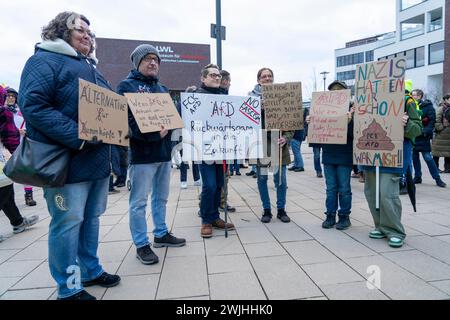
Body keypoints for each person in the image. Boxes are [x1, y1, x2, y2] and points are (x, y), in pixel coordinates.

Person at [18, 12, 121, 300]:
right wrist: (79, 135)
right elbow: (34, 106)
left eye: (91, 32)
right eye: (81, 30)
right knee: (68, 222)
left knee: (91, 219)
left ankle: (90, 269)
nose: (88, 35)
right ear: (60, 31)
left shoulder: (91, 67)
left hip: (97, 161)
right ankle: (69, 286)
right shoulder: (43, 61)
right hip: (66, 162)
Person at [117, 44, 186, 264]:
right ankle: (141, 244)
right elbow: (124, 122)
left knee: (161, 198)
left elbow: (171, 118)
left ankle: (161, 233)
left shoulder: (162, 88)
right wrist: (154, 135)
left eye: (156, 59)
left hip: (163, 154)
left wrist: (171, 128)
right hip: (142, 155)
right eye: (147, 58)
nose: (153, 62)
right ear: (137, 62)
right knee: (138, 202)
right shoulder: (126, 86)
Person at [362, 81, 422, 248]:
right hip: (372, 155)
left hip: (392, 156)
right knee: (372, 193)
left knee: (387, 193)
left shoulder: (407, 101)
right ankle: (380, 225)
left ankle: (394, 230)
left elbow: (417, 128)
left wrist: (407, 124)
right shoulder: (367, 101)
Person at [194, 64, 235, 238]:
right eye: (212, 75)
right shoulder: (196, 97)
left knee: (219, 184)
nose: (217, 78)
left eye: (218, 76)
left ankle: (215, 216)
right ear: (203, 78)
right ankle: (205, 220)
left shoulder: (225, 97)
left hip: (222, 149)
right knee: (209, 185)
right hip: (204, 149)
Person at [307, 80, 354, 230]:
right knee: (331, 188)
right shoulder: (323, 109)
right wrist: (310, 123)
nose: (336, 93)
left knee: (344, 188)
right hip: (328, 154)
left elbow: (357, 135)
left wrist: (350, 121)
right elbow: (316, 136)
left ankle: (344, 216)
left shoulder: (353, 110)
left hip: (345, 155)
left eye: (339, 91)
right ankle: (330, 215)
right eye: (333, 91)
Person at [249, 68, 293, 223]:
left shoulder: (283, 96)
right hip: (260, 143)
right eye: (263, 76)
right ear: (258, 79)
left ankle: (281, 210)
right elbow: (246, 123)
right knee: (261, 179)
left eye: (269, 76)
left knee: (280, 180)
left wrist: (286, 138)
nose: (267, 78)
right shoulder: (251, 99)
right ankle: (266, 209)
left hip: (278, 143)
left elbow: (291, 122)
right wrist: (259, 107)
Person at [1, 87, 39, 241]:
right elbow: (9, 137)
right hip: (2, 156)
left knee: (6, 191)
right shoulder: (3, 112)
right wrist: (17, 155)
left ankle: (17, 222)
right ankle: (17, 222)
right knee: (5, 190)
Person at [4, 87, 37, 206]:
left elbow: (30, 125)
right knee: (7, 173)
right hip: (6, 148)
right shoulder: (2, 111)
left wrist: (25, 131)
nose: (11, 98)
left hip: (21, 145)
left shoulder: (20, 111)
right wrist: (16, 131)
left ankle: (29, 197)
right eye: (8, 96)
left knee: (25, 171)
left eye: (13, 96)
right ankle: (8, 200)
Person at [411, 89, 446, 187]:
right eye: (412, 95)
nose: (413, 96)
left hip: (423, 136)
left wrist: (425, 131)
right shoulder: (410, 105)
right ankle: (417, 177)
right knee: (414, 157)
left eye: (414, 95)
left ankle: (437, 178)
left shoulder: (428, 106)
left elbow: (432, 121)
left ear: (420, 96)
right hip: (413, 135)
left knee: (427, 157)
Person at [218, 69, 236, 213]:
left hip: (226, 143)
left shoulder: (226, 96)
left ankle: (223, 201)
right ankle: (206, 203)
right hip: (215, 144)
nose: (230, 83)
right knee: (214, 179)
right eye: (228, 80)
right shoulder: (216, 95)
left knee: (225, 174)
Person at [432, 94, 450, 174]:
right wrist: (441, 128)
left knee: (448, 152)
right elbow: (436, 120)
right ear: (446, 99)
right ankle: (435, 168)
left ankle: (448, 168)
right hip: (441, 134)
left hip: (448, 134)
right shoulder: (441, 108)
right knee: (437, 152)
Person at [289, 107, 309, 172]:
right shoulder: (302, 119)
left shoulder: (298, 119)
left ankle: (300, 166)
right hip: (298, 137)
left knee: (296, 152)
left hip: (296, 137)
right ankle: (296, 165)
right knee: (296, 152)